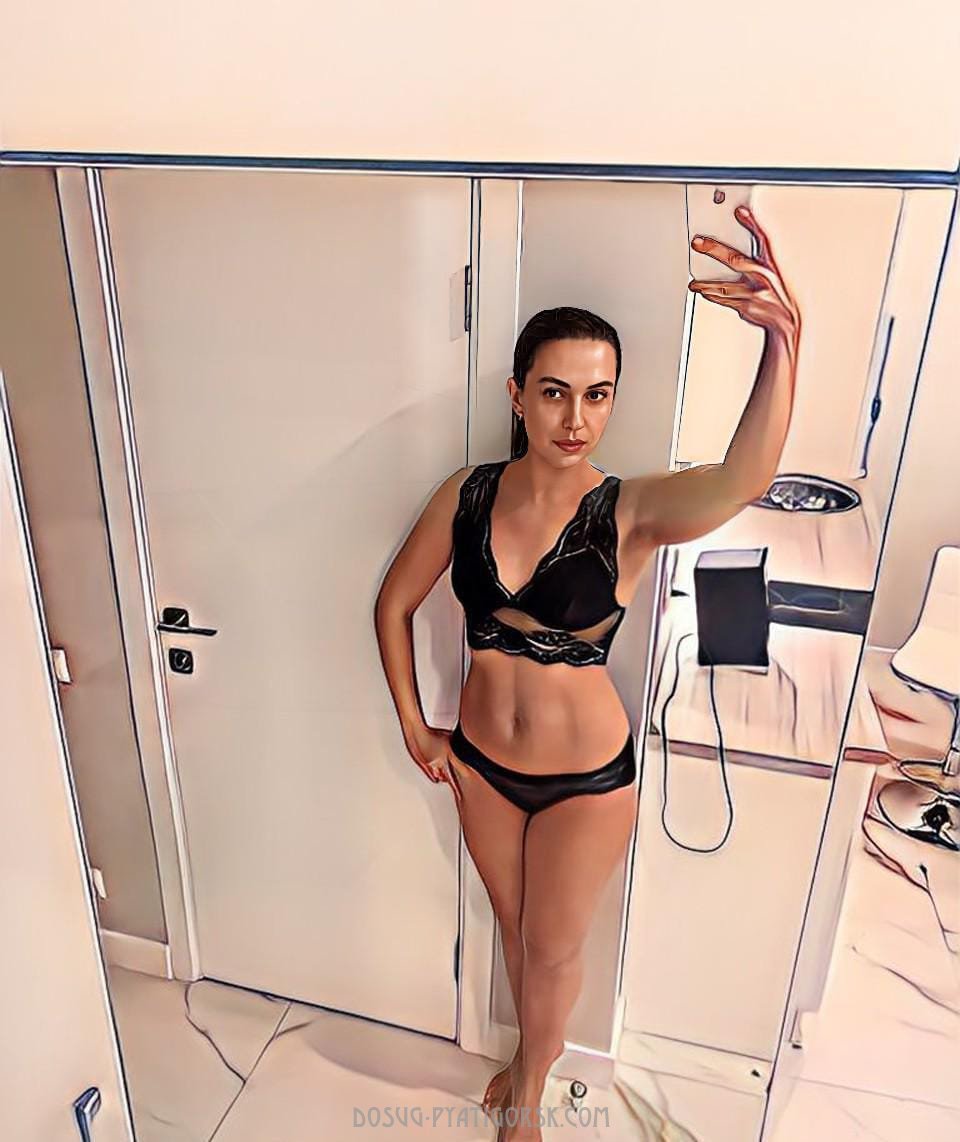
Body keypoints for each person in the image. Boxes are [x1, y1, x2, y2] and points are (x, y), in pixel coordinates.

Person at [374, 206, 799, 1141]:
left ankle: (529, 1093)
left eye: (598, 396)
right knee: (515, 929)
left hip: (586, 781)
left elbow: (745, 478)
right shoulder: (466, 494)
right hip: (482, 764)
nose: (576, 419)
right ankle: (531, 1057)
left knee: (554, 949)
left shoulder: (630, 511)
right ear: (518, 394)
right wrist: (414, 721)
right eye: (556, 393)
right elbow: (393, 604)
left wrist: (783, 339)